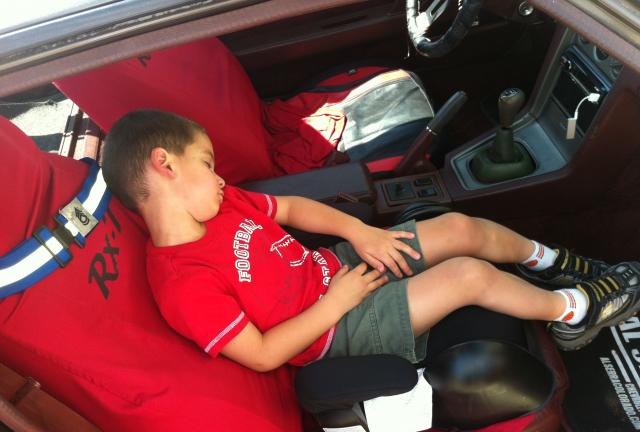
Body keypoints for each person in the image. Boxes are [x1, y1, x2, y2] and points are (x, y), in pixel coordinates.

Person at [101, 109, 640, 372]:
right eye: (207, 163)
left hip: (337, 269)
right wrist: (336, 304)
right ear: (164, 165)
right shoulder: (183, 283)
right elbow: (262, 356)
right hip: (336, 330)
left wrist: (358, 231)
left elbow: (291, 208)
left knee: (460, 228)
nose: (220, 178)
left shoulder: (222, 205)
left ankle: (552, 262)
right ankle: (574, 312)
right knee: (468, 275)